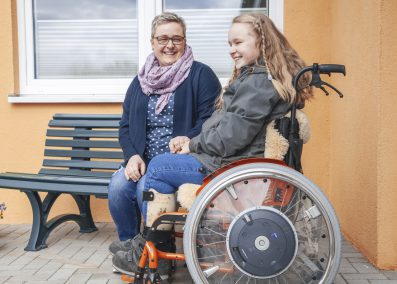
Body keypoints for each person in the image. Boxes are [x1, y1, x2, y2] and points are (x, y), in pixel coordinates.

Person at [112, 12, 313, 276]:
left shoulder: (256, 83)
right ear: (152, 42)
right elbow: (228, 127)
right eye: (230, 44)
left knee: (158, 168)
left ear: (262, 43)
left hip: (231, 165)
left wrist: (194, 144)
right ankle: (148, 247)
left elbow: (231, 135)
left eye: (238, 43)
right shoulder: (254, 77)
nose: (232, 50)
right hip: (229, 159)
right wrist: (136, 155)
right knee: (127, 181)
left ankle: (151, 250)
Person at [107, 12, 221, 257]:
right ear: (152, 42)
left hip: (176, 162)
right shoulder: (140, 80)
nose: (170, 45)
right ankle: (132, 247)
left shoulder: (201, 75)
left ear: (185, 41)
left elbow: (209, 121)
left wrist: (187, 139)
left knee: (144, 191)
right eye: (163, 39)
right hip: (142, 160)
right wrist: (132, 157)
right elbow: (125, 125)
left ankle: (159, 248)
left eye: (177, 39)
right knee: (118, 186)